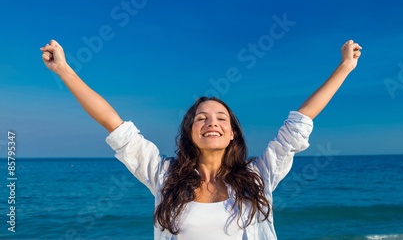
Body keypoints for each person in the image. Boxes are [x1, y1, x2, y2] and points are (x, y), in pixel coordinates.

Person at [40, 38, 362, 240]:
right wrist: (66, 71)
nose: (212, 123)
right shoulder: (163, 176)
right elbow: (113, 123)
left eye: (222, 118)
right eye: (202, 118)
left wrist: (345, 67)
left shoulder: (258, 176)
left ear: (232, 132)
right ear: (190, 132)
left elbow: (301, 120)